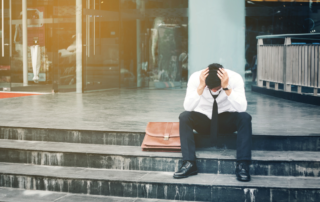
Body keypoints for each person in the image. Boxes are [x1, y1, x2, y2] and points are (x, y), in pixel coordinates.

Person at [173, 63, 252, 182]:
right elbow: (188, 107)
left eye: (217, 88)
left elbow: (242, 108)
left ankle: (243, 165)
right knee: (184, 116)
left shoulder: (235, 79)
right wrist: (200, 87)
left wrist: (226, 88)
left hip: (225, 120)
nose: (214, 91)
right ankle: (189, 163)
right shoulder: (195, 78)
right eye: (211, 89)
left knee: (245, 118)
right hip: (204, 119)